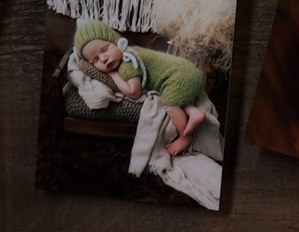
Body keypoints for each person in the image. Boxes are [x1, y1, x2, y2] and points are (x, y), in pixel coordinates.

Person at [74, 20, 210, 156]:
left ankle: (185, 137)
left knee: (170, 104)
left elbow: (134, 93)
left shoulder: (127, 62)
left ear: (117, 42)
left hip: (182, 77)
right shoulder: (130, 53)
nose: (103, 58)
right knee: (174, 95)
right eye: (95, 60)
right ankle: (193, 112)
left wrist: (114, 75)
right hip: (188, 72)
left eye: (105, 49)